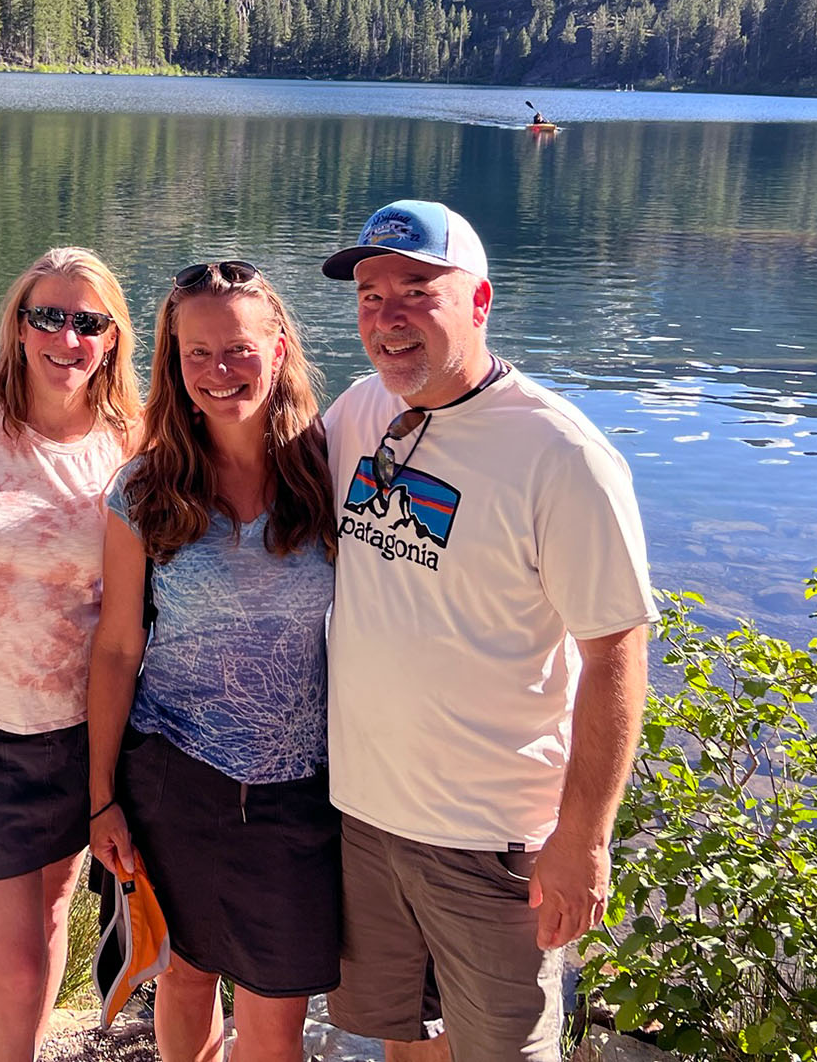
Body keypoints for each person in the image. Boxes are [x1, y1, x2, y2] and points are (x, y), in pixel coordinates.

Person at [317, 200, 656, 1062]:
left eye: (418, 290)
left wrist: (584, 839)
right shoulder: (361, 413)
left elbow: (615, 651)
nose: (388, 316)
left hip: (492, 840)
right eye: (369, 294)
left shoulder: (560, 456)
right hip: (366, 817)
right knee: (407, 1040)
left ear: (480, 301)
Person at [86, 260, 341, 1062]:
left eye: (237, 349)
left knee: (275, 1004)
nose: (218, 372)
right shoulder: (146, 490)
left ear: (279, 345)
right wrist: (101, 801)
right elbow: (120, 647)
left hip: (302, 788)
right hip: (173, 776)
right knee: (186, 974)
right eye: (196, 354)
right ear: (172, 362)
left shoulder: (333, 476)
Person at [0, 247, 142, 1062]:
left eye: (88, 322)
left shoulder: (132, 443)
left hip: (81, 728)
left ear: (112, 339)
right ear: (17, 324)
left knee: (49, 924)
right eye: (48, 315)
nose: (67, 337)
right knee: (11, 964)